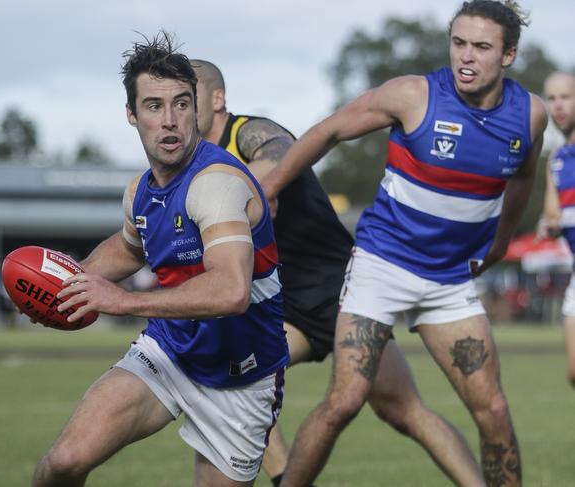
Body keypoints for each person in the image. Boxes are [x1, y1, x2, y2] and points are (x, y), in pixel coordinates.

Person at [261, 1, 548, 486]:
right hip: (382, 266)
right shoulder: (413, 95)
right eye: (459, 43)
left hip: (450, 280)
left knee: (494, 410)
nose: (466, 57)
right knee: (344, 402)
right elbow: (329, 130)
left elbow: (522, 177)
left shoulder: (530, 117)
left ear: (509, 56)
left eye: (481, 47)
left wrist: (500, 244)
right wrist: (268, 190)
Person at [192, 59, 484, 486]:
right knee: (225, 380)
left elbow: (280, 153)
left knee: (401, 408)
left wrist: (240, 190)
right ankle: (283, 478)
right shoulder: (195, 165)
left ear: (217, 99)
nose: (176, 112)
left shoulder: (249, 133)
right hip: (282, 309)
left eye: (187, 99)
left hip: (342, 292)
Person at [32, 32, 289, 487]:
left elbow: (232, 290)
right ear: (131, 115)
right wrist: (63, 287)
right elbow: (130, 246)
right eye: (153, 106)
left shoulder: (217, 183)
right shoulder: (141, 191)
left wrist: (122, 301)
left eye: (182, 104)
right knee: (63, 462)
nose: (170, 121)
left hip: (241, 378)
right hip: (168, 353)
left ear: (196, 109)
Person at [538, 71, 575, 389]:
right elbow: (552, 215)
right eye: (552, 99)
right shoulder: (556, 160)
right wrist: (548, 227)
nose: (558, 106)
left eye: (566, 97)